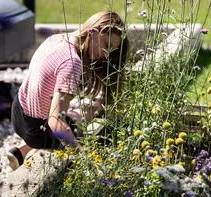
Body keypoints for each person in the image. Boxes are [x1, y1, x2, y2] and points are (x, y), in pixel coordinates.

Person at [7, 11, 129, 170]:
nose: (106, 56)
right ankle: (32, 159)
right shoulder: (73, 63)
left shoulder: (58, 38)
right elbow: (55, 121)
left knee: (72, 110)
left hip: (19, 110)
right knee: (78, 124)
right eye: (106, 46)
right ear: (93, 31)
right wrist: (84, 161)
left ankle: (20, 152)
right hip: (37, 129)